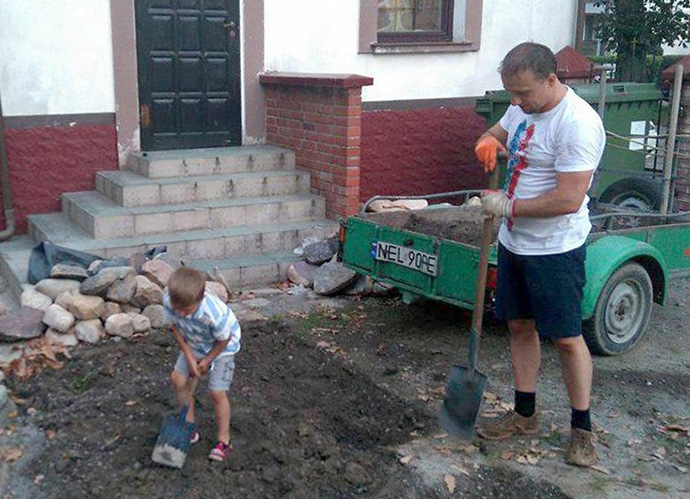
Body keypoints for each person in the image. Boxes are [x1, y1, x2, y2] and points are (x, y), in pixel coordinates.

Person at [473, 42, 606, 467]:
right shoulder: (522, 107)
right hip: (515, 243)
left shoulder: (577, 123)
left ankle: (582, 430)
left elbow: (568, 199)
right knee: (519, 326)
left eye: (524, 92)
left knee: (567, 338)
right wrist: (486, 141)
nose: (516, 102)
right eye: (511, 92)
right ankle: (525, 415)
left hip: (556, 248)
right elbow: (501, 128)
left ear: (552, 79)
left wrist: (507, 206)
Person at [163, 267, 241, 462]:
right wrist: (190, 357)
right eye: (177, 309)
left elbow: (224, 340)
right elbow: (175, 327)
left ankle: (224, 440)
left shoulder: (213, 314)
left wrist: (207, 361)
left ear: (200, 299)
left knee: (217, 392)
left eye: (187, 310)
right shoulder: (170, 301)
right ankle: (188, 427)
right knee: (178, 378)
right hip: (194, 342)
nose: (182, 314)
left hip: (223, 348)